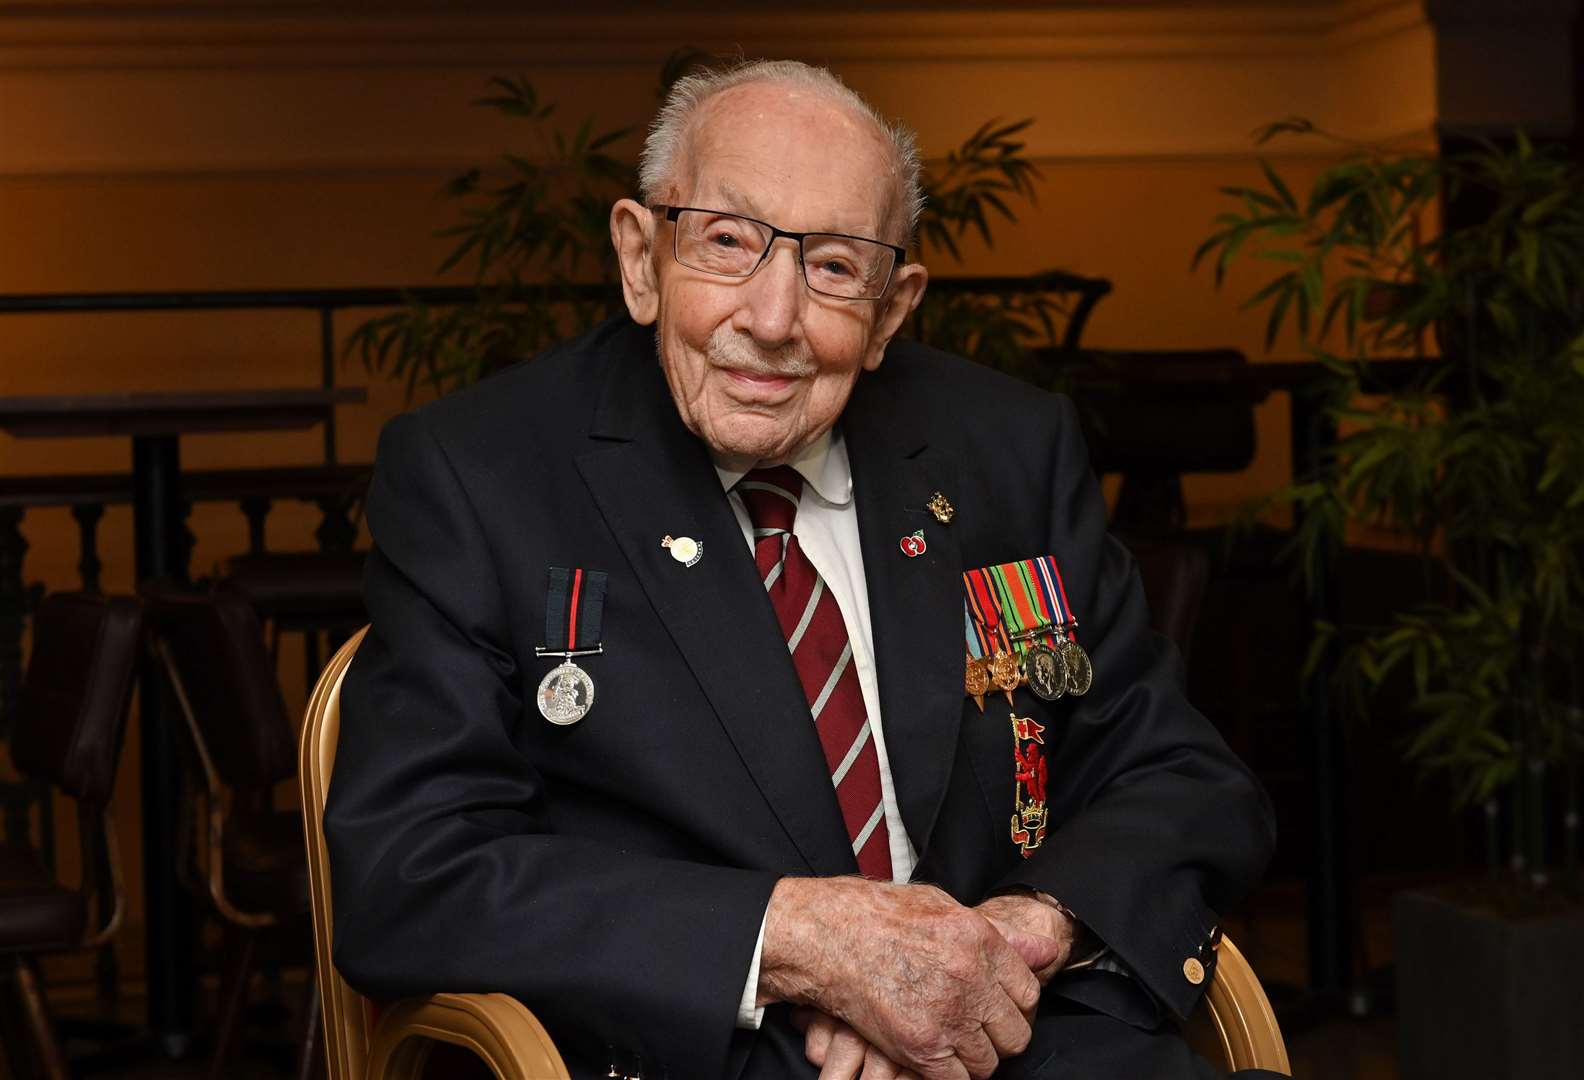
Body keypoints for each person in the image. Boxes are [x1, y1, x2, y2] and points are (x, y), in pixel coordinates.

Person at [325, 59, 1276, 1080]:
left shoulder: (1004, 449)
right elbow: (409, 875)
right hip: (701, 1055)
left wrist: (1023, 932)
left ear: (893, 309)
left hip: (1018, 1043)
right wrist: (801, 941)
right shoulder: (481, 474)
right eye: (727, 242)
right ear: (641, 258)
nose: (772, 322)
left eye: (832, 266)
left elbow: (1182, 776)